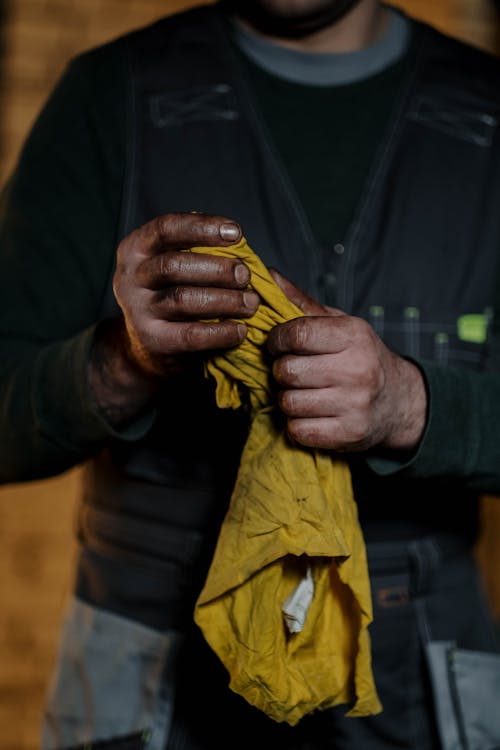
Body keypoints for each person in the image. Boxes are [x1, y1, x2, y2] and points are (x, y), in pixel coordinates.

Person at [1, 0, 500, 748]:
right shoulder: (110, 95)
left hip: (420, 683)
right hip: (147, 668)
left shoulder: (490, 111)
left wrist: (412, 405)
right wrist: (127, 359)